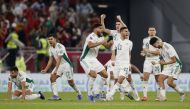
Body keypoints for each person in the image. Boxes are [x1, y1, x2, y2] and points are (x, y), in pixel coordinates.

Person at [41, 34, 82, 100]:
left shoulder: (60, 46)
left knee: (70, 82)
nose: (50, 40)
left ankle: (78, 92)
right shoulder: (50, 48)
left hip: (66, 65)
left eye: (51, 39)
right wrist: (45, 69)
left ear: (55, 39)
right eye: (49, 39)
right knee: (52, 78)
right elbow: (50, 60)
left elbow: (59, 59)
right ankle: (55, 96)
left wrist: (56, 70)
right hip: (59, 65)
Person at [80, 23, 112, 102]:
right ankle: (90, 95)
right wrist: (101, 42)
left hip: (94, 59)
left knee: (105, 75)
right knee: (93, 74)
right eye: (100, 28)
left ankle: (97, 92)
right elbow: (90, 45)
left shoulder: (101, 37)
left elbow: (107, 46)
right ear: (95, 29)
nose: (102, 30)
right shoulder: (91, 36)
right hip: (85, 59)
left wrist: (111, 42)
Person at [106, 27, 139, 101]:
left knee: (121, 79)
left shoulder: (130, 42)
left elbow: (129, 54)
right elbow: (113, 53)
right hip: (117, 63)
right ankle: (131, 92)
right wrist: (113, 61)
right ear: (121, 32)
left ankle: (110, 94)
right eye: (125, 31)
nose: (127, 33)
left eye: (127, 31)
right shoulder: (116, 42)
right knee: (116, 79)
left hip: (125, 63)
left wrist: (129, 63)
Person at [150, 37, 185, 102]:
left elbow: (174, 60)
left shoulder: (168, 47)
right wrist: (157, 62)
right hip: (169, 65)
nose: (156, 47)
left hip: (176, 65)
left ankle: (182, 93)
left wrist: (164, 63)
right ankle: (163, 97)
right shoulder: (160, 48)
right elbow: (165, 58)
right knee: (160, 79)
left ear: (157, 42)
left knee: (169, 82)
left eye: (155, 46)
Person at [140, 27, 161, 101]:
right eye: (150, 30)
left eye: (153, 30)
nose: (152, 31)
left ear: (155, 31)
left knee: (158, 79)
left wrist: (148, 51)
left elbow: (158, 52)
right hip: (147, 60)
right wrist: (143, 53)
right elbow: (144, 50)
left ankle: (158, 96)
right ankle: (145, 96)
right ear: (148, 31)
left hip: (156, 61)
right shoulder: (145, 40)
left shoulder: (159, 40)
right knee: (145, 78)